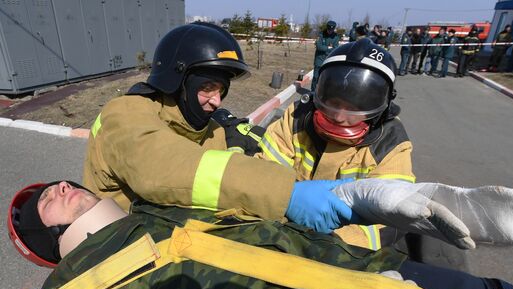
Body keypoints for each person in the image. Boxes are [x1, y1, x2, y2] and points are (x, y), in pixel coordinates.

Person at [7, 180, 513, 289]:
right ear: (41, 244)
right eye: (40, 205)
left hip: (382, 281)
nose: (56, 188)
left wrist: (364, 199)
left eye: (56, 183)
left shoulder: (156, 216)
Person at [82, 22, 354, 236]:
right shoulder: (124, 113)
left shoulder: (213, 130)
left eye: (222, 90)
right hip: (116, 249)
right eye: (207, 88)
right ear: (177, 81)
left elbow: (218, 194)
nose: (217, 101)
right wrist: (286, 194)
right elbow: (161, 169)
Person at [256, 39, 415, 250]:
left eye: (354, 108)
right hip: (280, 231)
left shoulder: (391, 144)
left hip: (344, 252)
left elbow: (387, 220)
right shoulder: (296, 118)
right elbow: (262, 175)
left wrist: (324, 244)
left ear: (381, 108)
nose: (339, 117)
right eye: (333, 104)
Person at [311, 20, 340, 91]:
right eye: (329, 30)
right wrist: (329, 48)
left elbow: (335, 49)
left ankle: (322, 94)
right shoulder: (321, 35)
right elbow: (319, 46)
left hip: (328, 59)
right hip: (319, 59)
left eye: (331, 30)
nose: (330, 31)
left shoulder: (336, 37)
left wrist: (325, 48)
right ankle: (312, 92)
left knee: (326, 79)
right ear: (327, 28)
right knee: (316, 77)